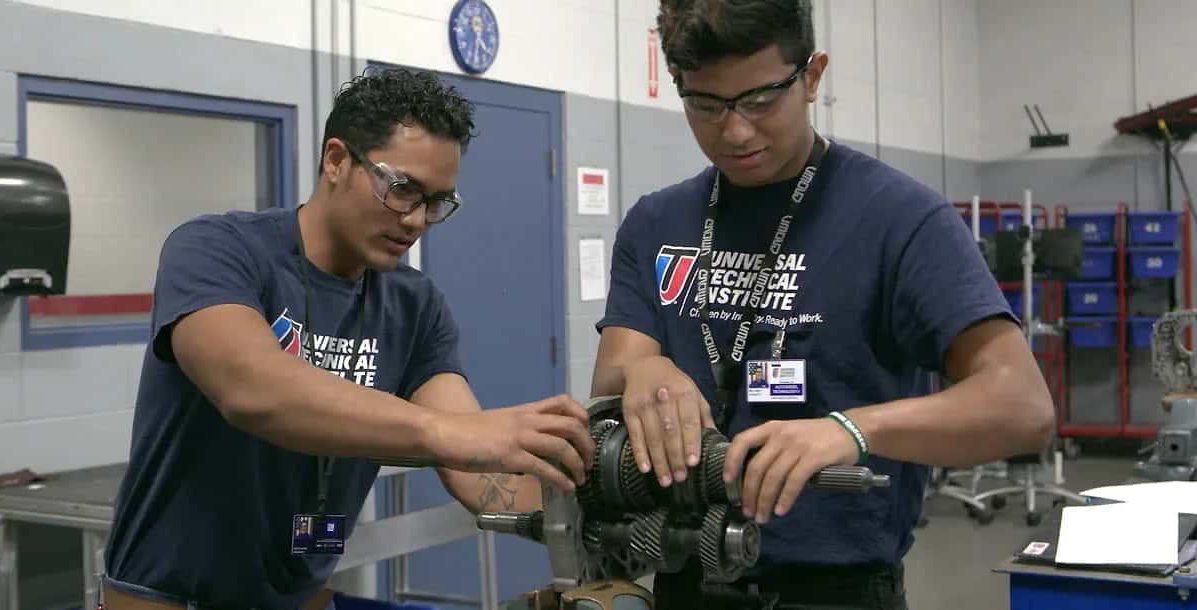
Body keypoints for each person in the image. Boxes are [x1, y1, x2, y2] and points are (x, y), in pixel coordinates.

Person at [590, 1, 1056, 608]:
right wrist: (647, 371)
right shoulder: (657, 221)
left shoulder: (900, 218)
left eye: (760, 100)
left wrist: (852, 430)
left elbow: (1022, 407)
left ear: (812, 76)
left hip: (836, 590)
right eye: (705, 105)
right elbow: (614, 375)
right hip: (684, 576)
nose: (734, 132)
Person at [101, 68, 593, 610]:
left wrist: (582, 509)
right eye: (402, 189)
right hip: (170, 597)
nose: (417, 220)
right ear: (336, 160)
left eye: (436, 202)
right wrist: (451, 434)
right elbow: (251, 388)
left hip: (303, 598)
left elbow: (473, 467)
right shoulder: (218, 251)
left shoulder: (413, 305)